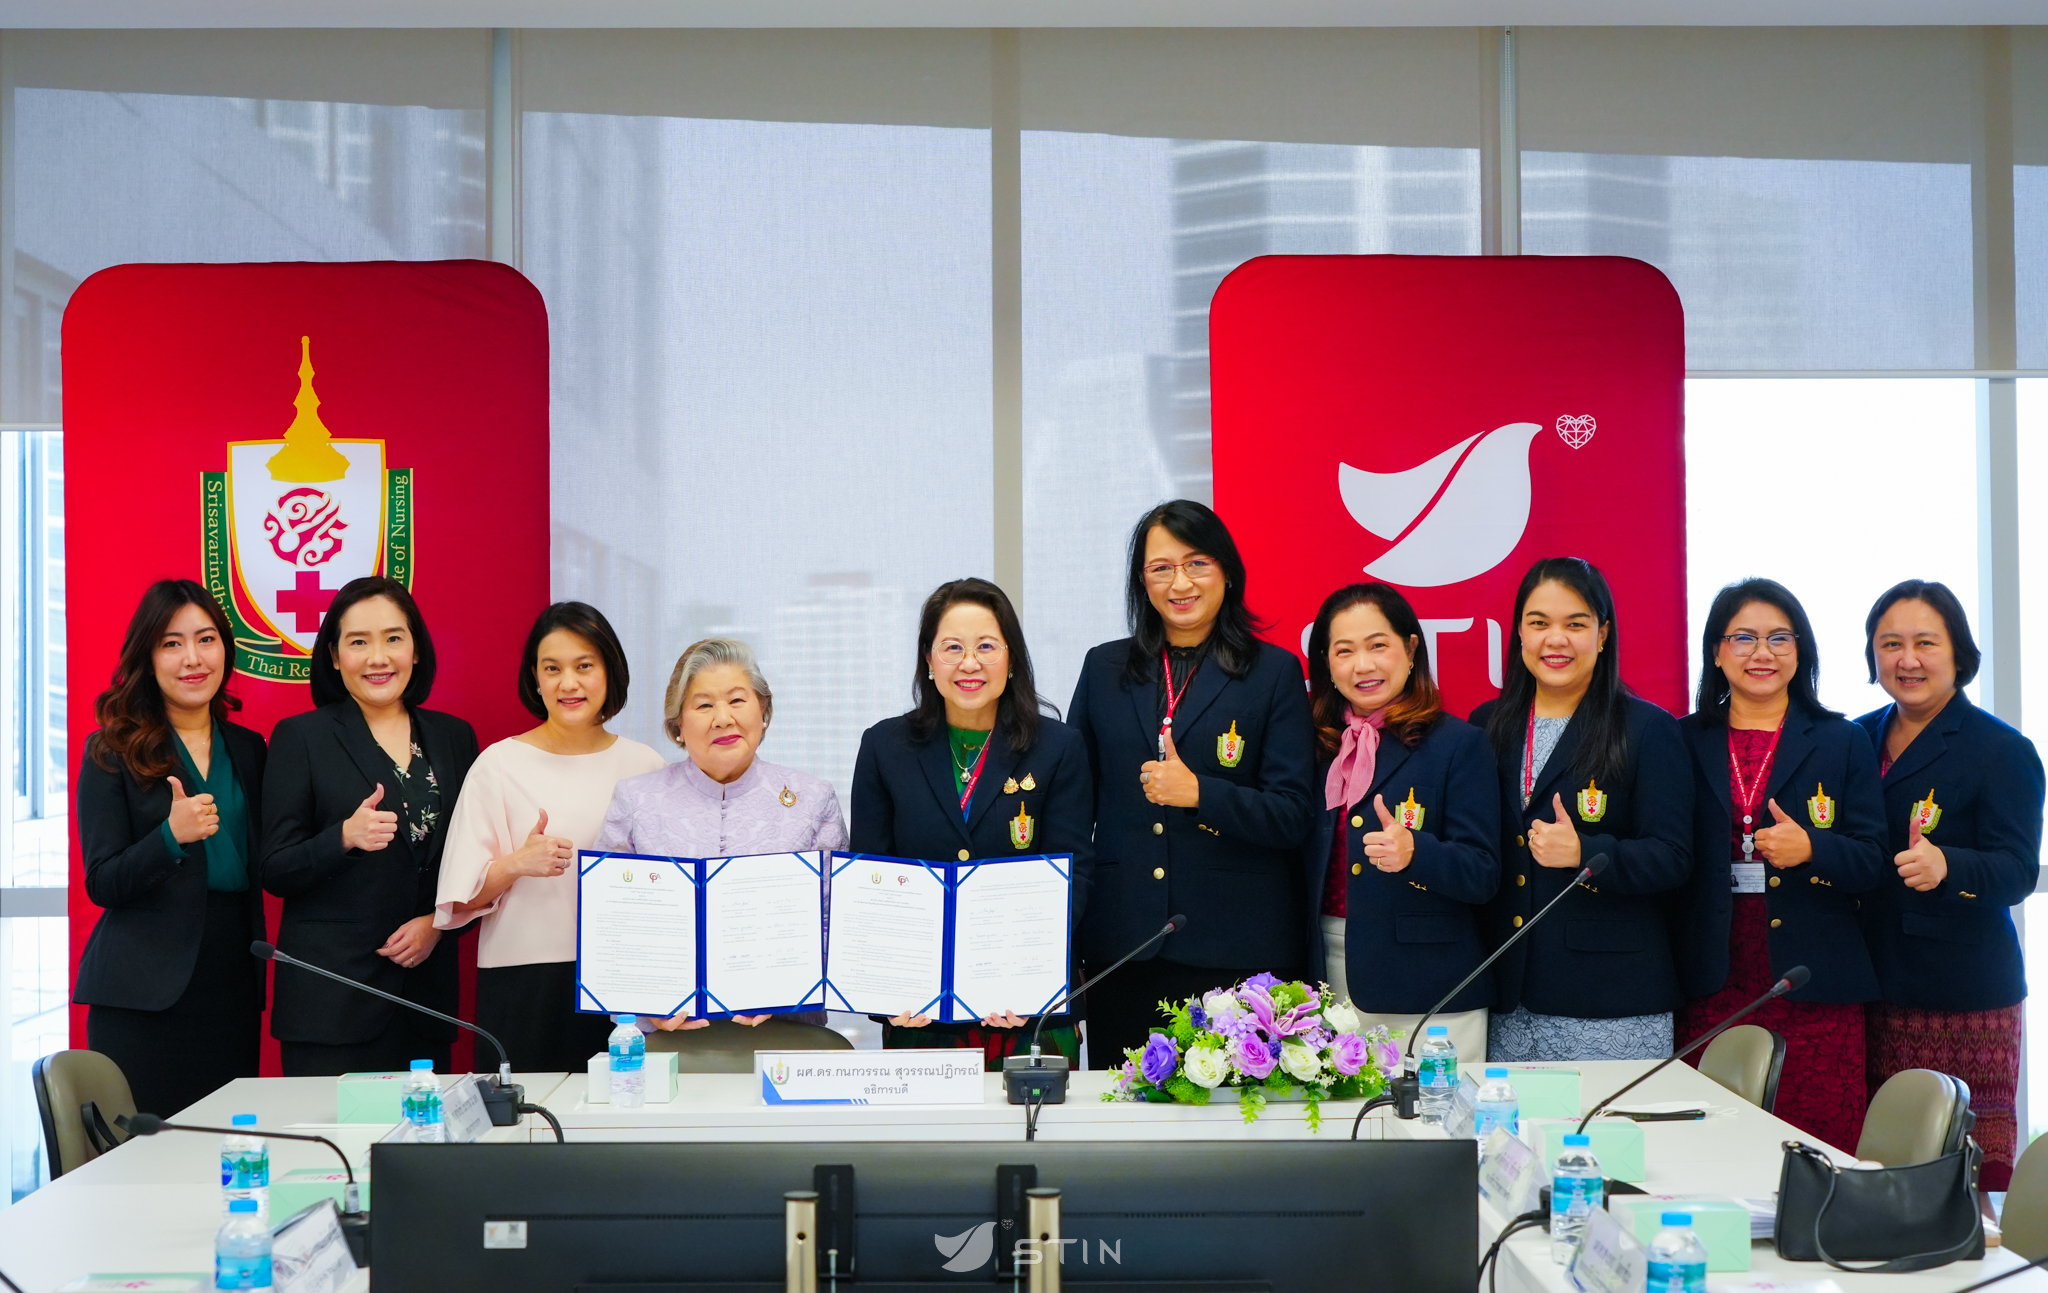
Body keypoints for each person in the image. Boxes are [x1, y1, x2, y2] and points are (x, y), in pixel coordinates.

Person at [1068, 501, 1316, 1068]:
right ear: (1142, 581)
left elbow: (1293, 813)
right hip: (1123, 949)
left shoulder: (1273, 672)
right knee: (1124, 1125)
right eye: (1161, 568)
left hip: (1235, 949)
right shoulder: (1104, 669)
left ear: (1227, 571)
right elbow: (1072, 810)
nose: (1180, 582)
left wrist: (1201, 794)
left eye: (1197, 563)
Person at [1674, 578, 1886, 1151]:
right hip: (1712, 975)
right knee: (1712, 1147)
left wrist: (1814, 848)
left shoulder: (1842, 741)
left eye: (1778, 638)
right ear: (1716, 652)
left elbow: (1873, 860)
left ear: (1802, 651)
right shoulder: (1683, 740)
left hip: (1814, 980)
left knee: (1814, 1151)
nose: (1761, 653)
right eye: (1742, 637)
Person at [850, 578, 1094, 1068]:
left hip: (1028, 1014)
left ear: (1012, 657)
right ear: (928, 659)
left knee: (1038, 1142)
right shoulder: (884, 747)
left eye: (986, 646)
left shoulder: (1058, 747)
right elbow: (869, 877)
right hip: (920, 1014)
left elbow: (1075, 874)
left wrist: (1025, 982)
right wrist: (890, 990)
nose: (969, 663)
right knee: (928, 1147)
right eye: (952, 647)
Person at [1856, 580, 2043, 1193]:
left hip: (1961, 997)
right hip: (1868, 987)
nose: (1908, 660)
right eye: (1891, 644)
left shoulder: (2003, 751)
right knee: (1883, 1165)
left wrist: (1949, 867)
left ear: (1957, 653)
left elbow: (2016, 871)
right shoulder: (1854, 739)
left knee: (1966, 1174)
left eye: (1924, 643)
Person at [1473, 557, 1692, 1063]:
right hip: (1510, 995)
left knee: (1611, 1141)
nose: (1556, 639)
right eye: (1539, 623)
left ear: (1603, 633)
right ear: (1518, 634)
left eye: (1575, 624)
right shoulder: (1488, 723)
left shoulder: (1647, 728)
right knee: (1516, 1142)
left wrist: (1585, 851)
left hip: (1611, 997)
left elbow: (1674, 856)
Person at [261, 577, 480, 1076]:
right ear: (335, 657)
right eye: (359, 642)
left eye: (393, 638)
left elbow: (469, 860)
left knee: (423, 1150)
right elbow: (274, 868)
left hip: (424, 997)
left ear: (416, 649)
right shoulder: (302, 738)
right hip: (333, 1002)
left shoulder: (453, 738)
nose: (378, 657)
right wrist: (342, 838)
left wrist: (438, 926)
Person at [434, 603, 665, 1072]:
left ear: (610, 672)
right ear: (534, 679)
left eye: (584, 666)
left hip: (626, 983)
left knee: (621, 1131)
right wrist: (517, 863)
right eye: (552, 669)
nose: (569, 684)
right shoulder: (499, 764)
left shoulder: (647, 766)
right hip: (525, 983)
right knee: (526, 1132)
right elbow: (456, 902)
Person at [73, 580, 267, 1116]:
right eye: (171, 643)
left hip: (230, 978)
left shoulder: (250, 749)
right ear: (148, 656)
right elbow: (102, 881)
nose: (192, 659)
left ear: (226, 649)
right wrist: (169, 837)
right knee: (144, 1160)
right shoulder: (112, 750)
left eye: (205, 639)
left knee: (225, 1150)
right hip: (144, 991)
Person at [596, 637, 844, 1031]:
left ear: (763, 710)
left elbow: (835, 920)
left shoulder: (813, 798)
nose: (723, 718)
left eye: (737, 700)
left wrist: (788, 989)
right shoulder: (635, 799)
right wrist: (647, 1003)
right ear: (678, 724)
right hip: (667, 1032)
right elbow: (610, 922)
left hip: (788, 1030)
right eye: (704, 704)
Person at [1302, 583, 1500, 1061]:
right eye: (1344, 651)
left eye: (1378, 645)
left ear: (1411, 649)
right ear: (1326, 664)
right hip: (1324, 979)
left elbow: (1483, 872)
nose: (1363, 665)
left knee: (1437, 1129)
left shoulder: (1458, 744)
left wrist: (1417, 853)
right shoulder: (1315, 746)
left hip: (1429, 987)